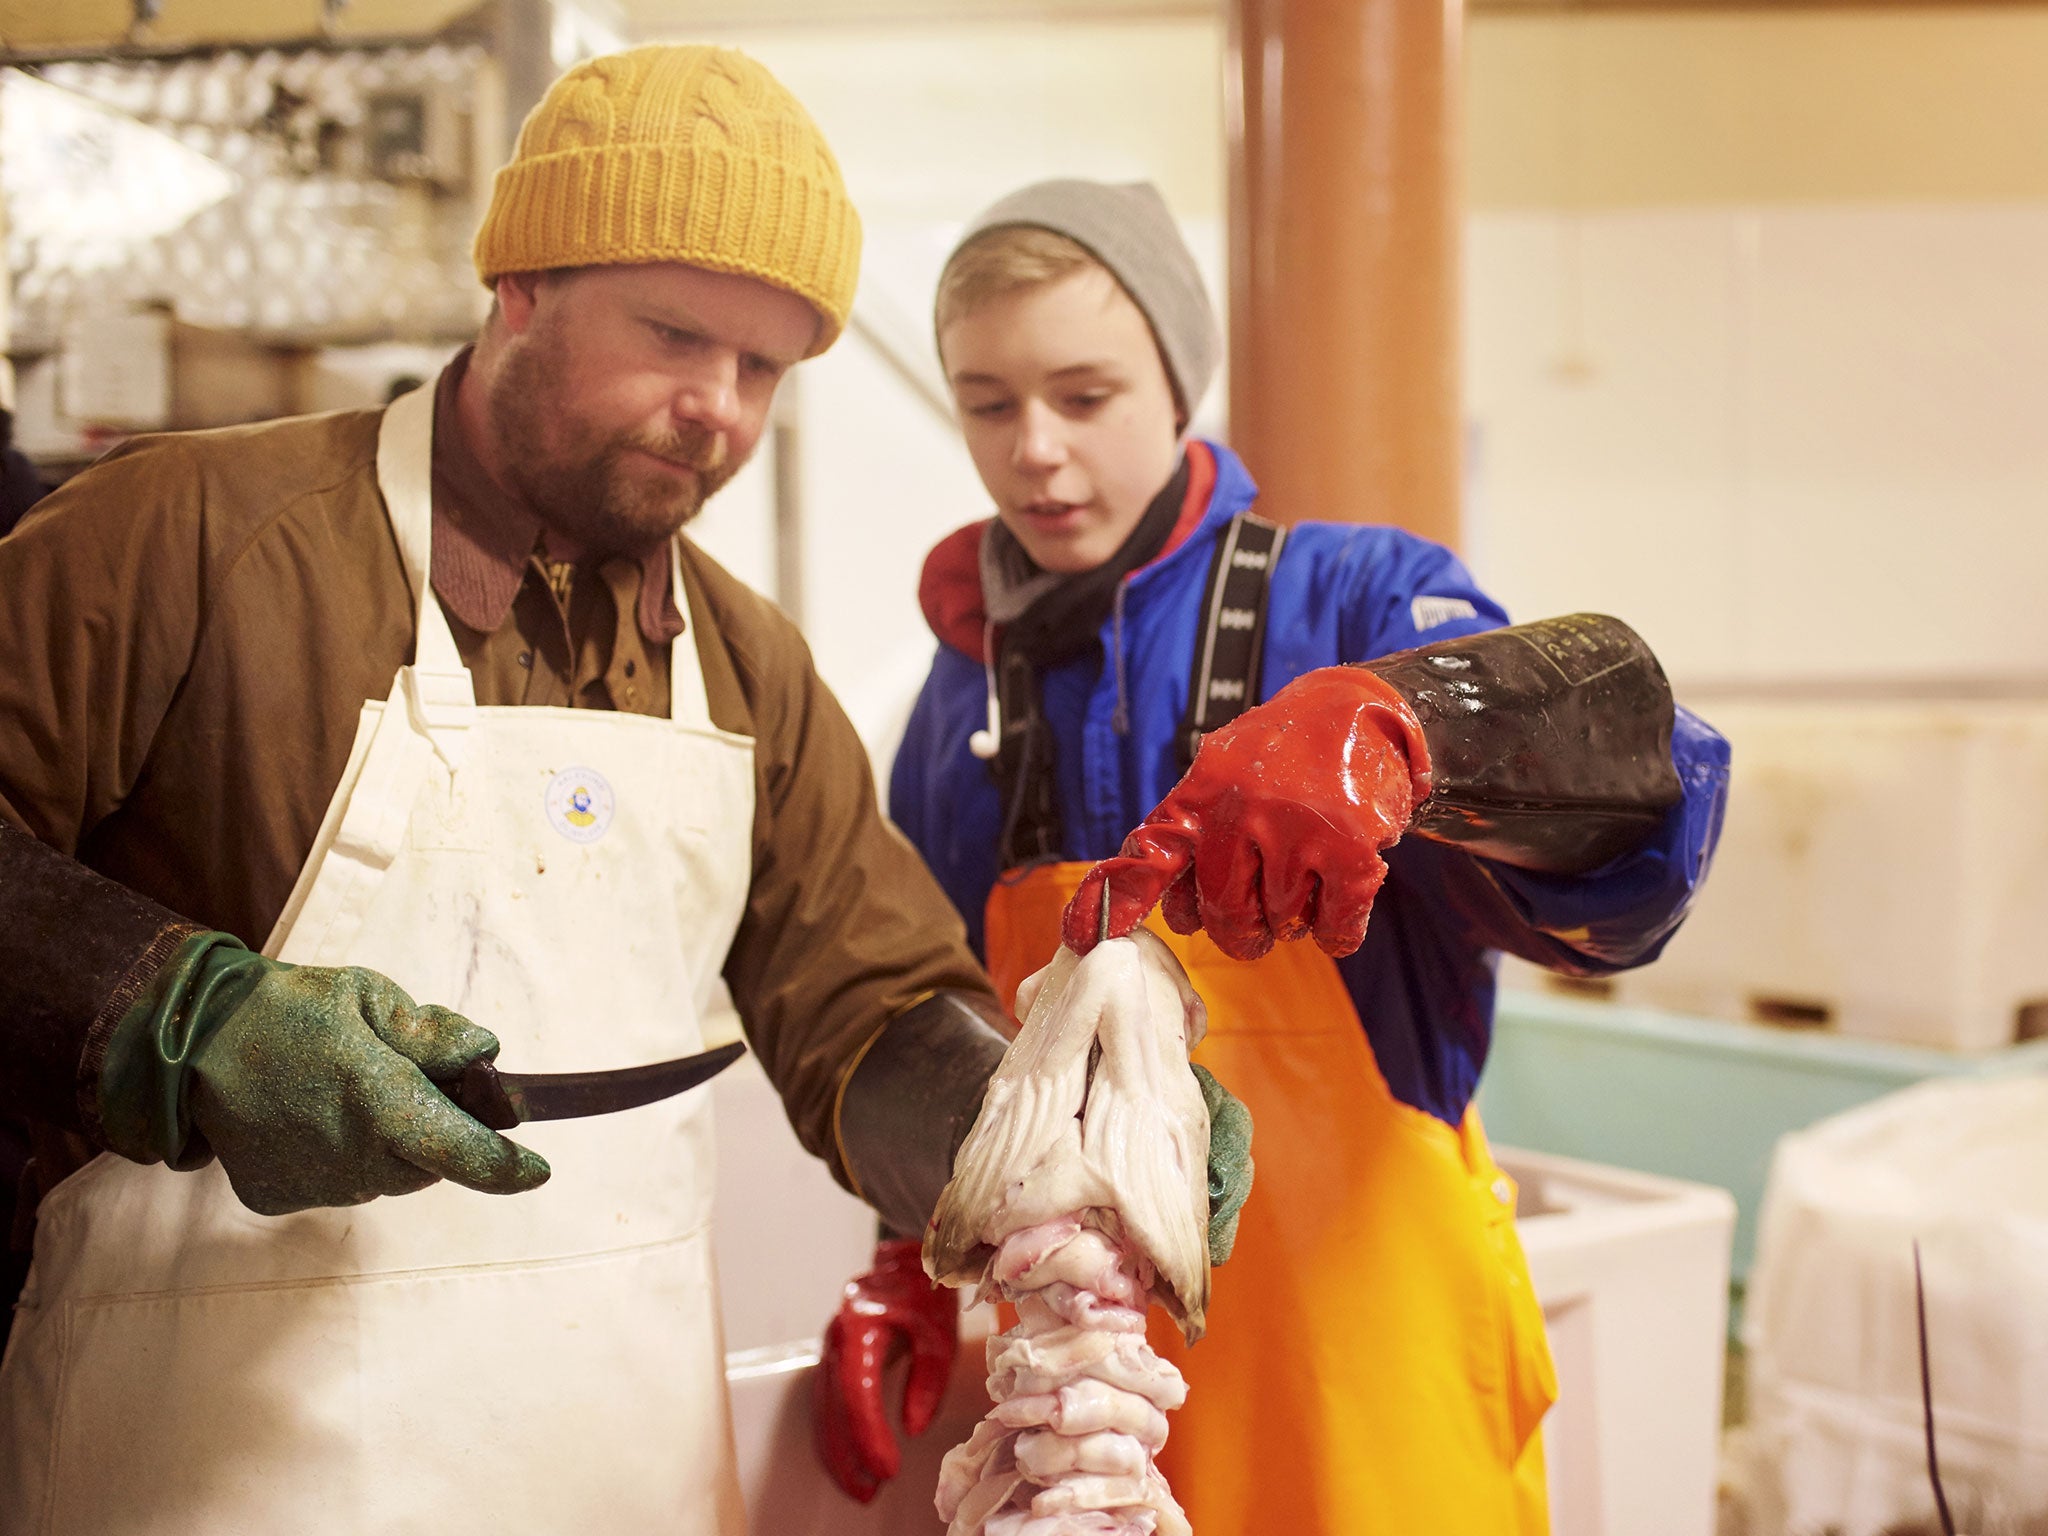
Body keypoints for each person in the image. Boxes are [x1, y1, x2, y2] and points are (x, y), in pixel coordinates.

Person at [0, 50, 1252, 1535]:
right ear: (520, 283)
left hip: (622, 1471)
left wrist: (1052, 1139)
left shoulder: (748, 671)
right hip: (222, 1471)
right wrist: (166, 1020)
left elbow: (870, 1019)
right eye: (674, 333)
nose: (715, 406)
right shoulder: (185, 542)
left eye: (765, 367)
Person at [814, 179, 1731, 1533]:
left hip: (1370, 1388)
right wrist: (904, 1247)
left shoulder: (1354, 601)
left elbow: (1647, 837)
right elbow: (940, 1019)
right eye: (989, 403)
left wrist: (1412, 731)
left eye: (1085, 394)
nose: (1037, 454)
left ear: (1178, 381)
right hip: (1091, 1412)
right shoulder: (964, 706)